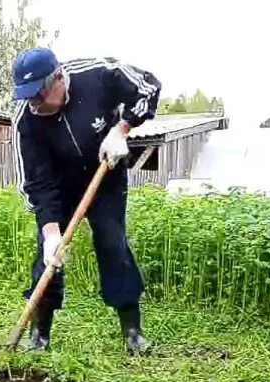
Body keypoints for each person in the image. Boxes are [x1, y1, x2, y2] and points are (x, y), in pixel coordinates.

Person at [10, 47, 161, 354]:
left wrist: (122, 130)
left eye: (38, 95)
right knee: (47, 254)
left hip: (105, 175)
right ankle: (40, 333)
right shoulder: (26, 122)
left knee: (112, 242)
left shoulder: (98, 75)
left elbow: (149, 87)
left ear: (58, 78)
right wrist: (51, 234)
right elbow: (37, 183)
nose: (33, 104)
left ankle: (132, 330)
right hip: (60, 188)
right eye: (27, 97)